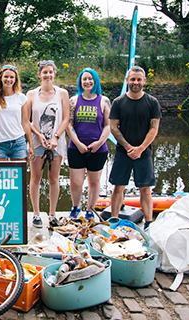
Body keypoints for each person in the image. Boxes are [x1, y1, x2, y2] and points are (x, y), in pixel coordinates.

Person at [109, 65, 161, 230]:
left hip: (144, 154)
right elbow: (113, 127)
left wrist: (140, 148)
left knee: (145, 189)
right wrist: (128, 147)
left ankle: (148, 222)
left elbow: (154, 128)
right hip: (123, 153)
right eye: (133, 79)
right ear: (127, 80)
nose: (136, 82)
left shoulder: (152, 102)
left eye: (139, 79)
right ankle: (114, 221)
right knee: (118, 188)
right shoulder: (119, 102)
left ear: (144, 81)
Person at [26, 60, 70, 228]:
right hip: (37, 142)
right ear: (39, 75)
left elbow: (66, 118)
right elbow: (27, 120)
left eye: (50, 72)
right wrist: (38, 135)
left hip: (56, 143)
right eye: (44, 72)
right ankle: (36, 213)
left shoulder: (62, 93)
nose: (48, 75)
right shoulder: (31, 94)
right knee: (35, 178)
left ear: (55, 74)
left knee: (54, 179)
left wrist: (56, 137)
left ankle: (52, 214)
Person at [67, 68, 111, 222]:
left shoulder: (104, 101)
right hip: (76, 148)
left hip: (98, 149)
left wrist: (100, 142)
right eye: (84, 79)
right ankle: (76, 207)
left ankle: (90, 209)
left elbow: (108, 125)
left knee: (94, 181)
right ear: (80, 82)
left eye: (90, 79)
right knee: (76, 182)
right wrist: (77, 143)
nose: (87, 82)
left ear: (95, 81)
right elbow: (69, 124)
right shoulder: (73, 101)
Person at [0, 65, 33, 161]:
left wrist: (30, 145)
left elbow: (25, 122)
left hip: (18, 142)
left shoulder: (21, 98)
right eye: (6, 76)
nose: (8, 79)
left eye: (11, 77)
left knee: (19, 175)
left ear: (15, 80)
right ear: (1, 78)